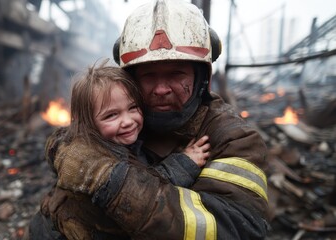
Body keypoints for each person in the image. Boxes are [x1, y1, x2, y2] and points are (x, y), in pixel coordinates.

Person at [27, 0, 269, 239]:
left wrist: (114, 183)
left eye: (176, 73)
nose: (161, 89)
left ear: (201, 77)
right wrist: (62, 148)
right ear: (130, 79)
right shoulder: (130, 120)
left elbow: (238, 227)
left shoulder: (233, 138)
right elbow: (76, 133)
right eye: (149, 75)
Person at [41, 60, 211, 239]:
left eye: (133, 107)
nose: (128, 120)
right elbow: (145, 194)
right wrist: (184, 164)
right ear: (86, 123)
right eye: (111, 115)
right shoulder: (97, 159)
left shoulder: (117, 142)